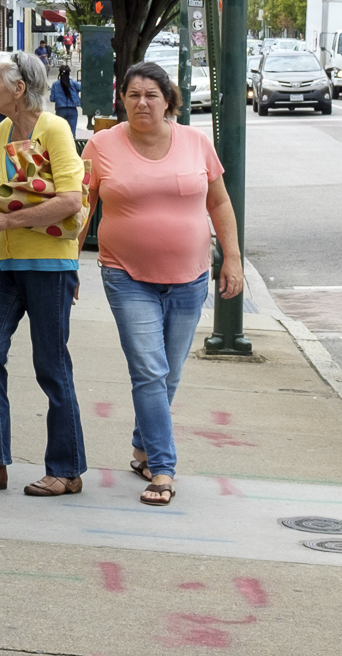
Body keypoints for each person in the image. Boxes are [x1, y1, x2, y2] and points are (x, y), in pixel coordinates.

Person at [86, 62, 244, 506]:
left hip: (190, 277)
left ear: (168, 100)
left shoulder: (196, 143)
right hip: (125, 274)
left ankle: (141, 445)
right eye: (133, 95)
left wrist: (231, 258)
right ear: (123, 100)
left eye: (151, 95)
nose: (141, 103)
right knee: (150, 371)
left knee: (167, 373)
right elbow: (81, 206)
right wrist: (65, 269)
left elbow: (219, 202)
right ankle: (163, 468)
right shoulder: (101, 146)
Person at [0, 49, 89, 497]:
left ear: (18, 88)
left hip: (48, 264)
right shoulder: (4, 127)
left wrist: (8, 220)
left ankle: (66, 469)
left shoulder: (55, 129)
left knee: (51, 364)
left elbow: (71, 200)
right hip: (4, 262)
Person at [51, 64, 84, 140]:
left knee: (59, 132)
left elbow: (52, 98)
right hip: (72, 110)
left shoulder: (55, 84)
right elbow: (82, 88)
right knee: (72, 133)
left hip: (60, 110)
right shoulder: (74, 83)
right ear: (69, 73)